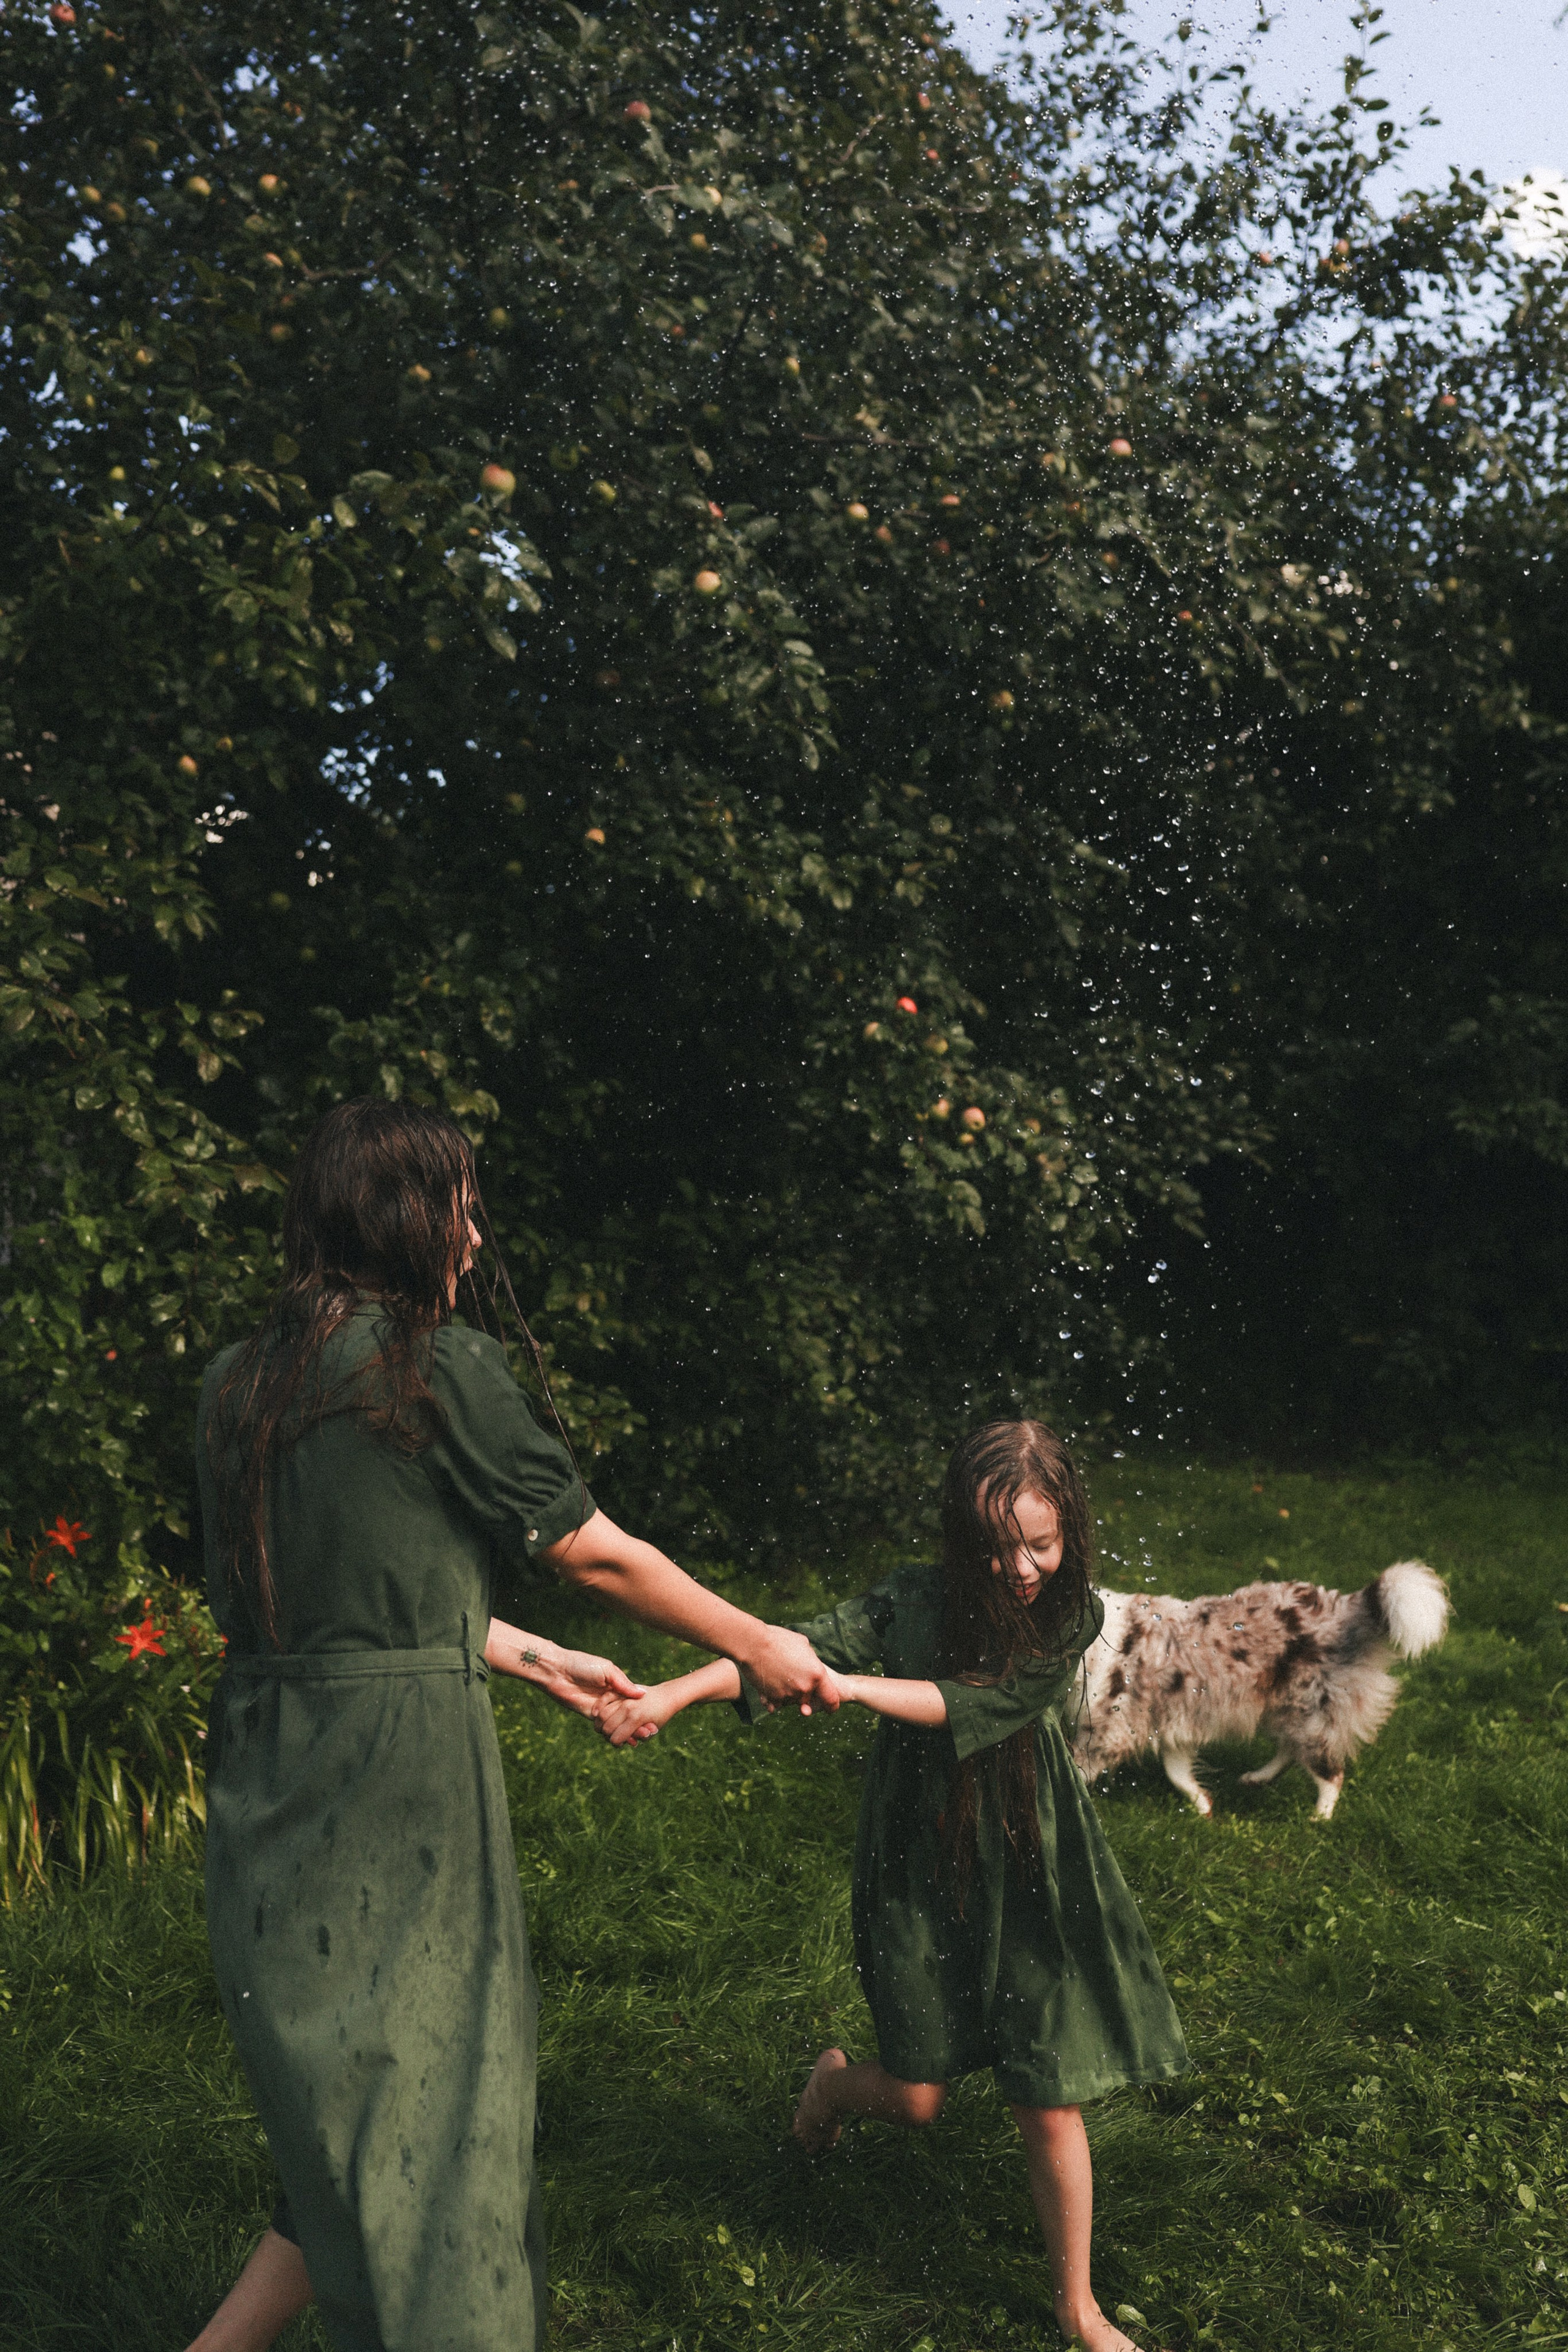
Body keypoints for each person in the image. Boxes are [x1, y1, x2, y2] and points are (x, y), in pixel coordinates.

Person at [185, 1098, 837, 2352]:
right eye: (462, 1207)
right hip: (394, 1799)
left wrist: (530, 1658)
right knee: (441, 2122)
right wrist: (754, 1642)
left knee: (349, 2118)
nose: (475, 1237)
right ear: (407, 1217)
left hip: (267, 1795)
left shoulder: (234, 1385)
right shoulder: (428, 1366)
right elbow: (590, 1552)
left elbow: (308, 1607)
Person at [595, 1419, 1189, 2352]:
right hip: (922, 1857)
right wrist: (669, 1695)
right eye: (998, 1550)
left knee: (1049, 2089)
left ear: (1069, 1528)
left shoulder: (1069, 1615)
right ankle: (829, 2091)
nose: (1023, 1567)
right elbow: (788, 1649)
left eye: (1040, 1542)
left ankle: (1077, 2308)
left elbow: (981, 1703)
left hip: (1032, 1856)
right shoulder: (911, 1602)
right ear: (961, 1539)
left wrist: (856, 1688)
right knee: (917, 2097)